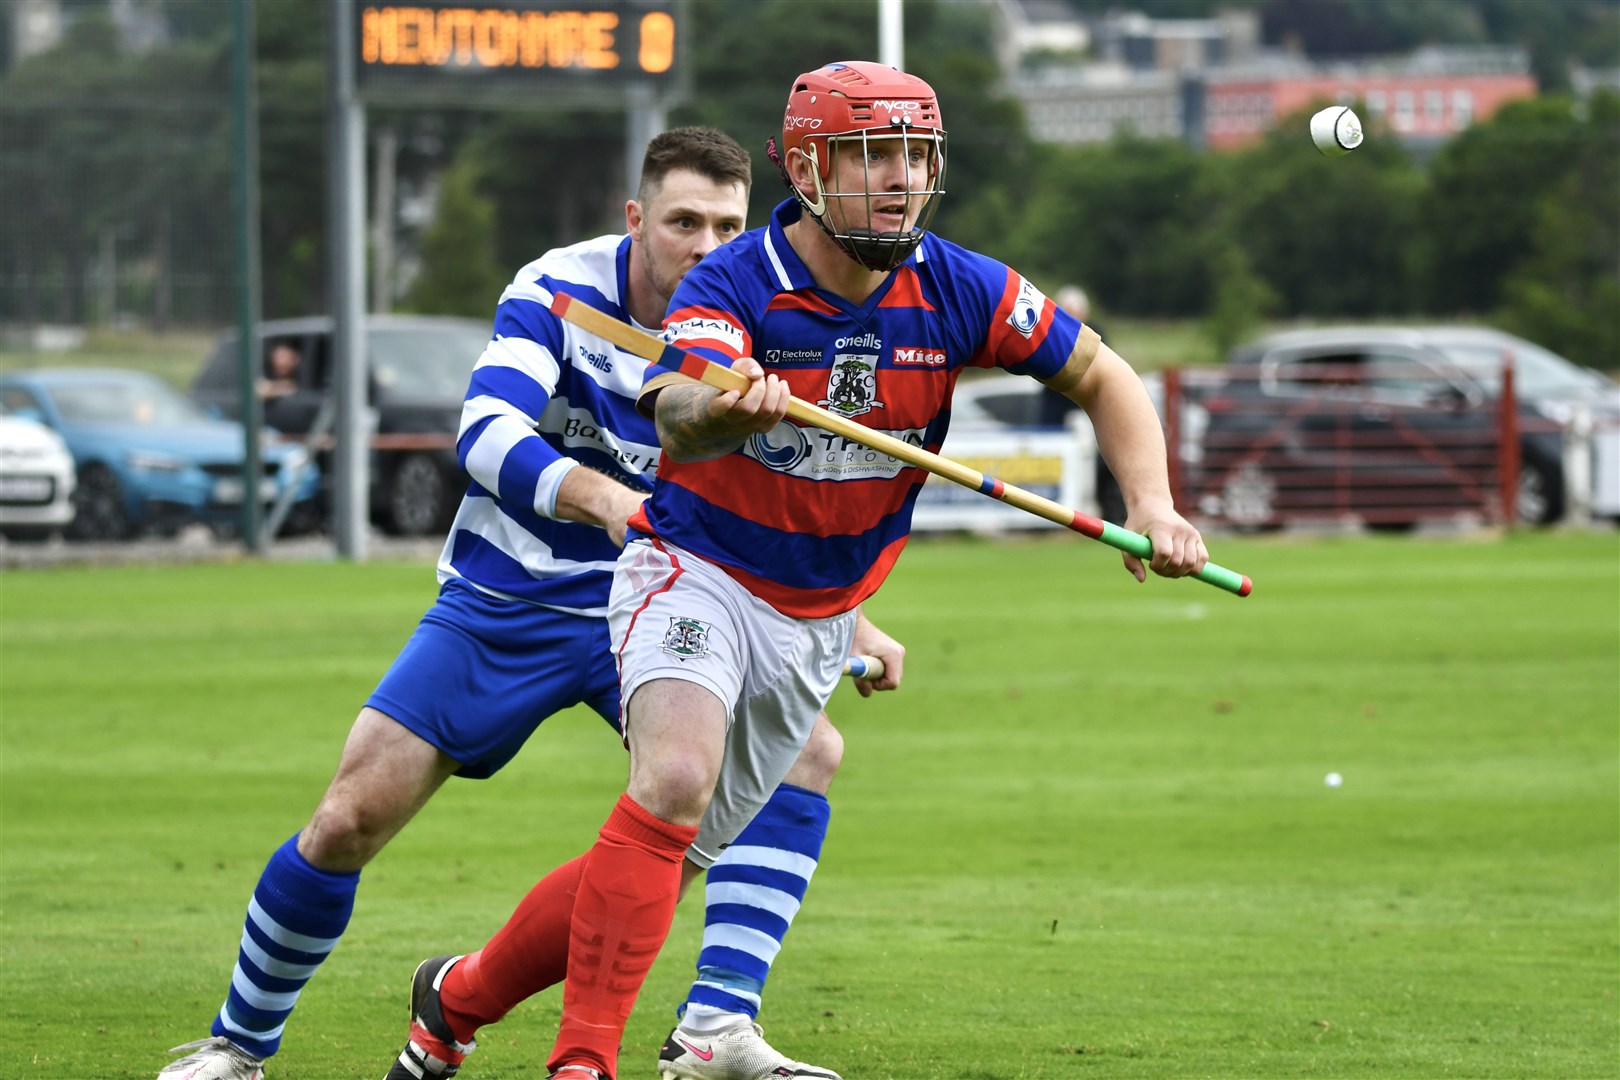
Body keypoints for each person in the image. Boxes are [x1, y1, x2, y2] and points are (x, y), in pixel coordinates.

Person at [421, 62, 1211, 1080]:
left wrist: (1150, 502)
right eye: (867, 157)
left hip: (818, 613)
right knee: (670, 783)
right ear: (805, 166)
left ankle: (462, 998)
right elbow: (674, 414)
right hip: (694, 569)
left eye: (911, 158)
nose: (894, 181)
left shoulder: (960, 285)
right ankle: (584, 1061)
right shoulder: (732, 282)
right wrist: (721, 408)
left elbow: (1100, 373)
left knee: (674, 852)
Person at [157, 126, 899, 1080]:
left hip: (679, 597)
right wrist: (607, 501)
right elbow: (483, 432)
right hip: (507, 594)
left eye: (725, 224)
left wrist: (850, 617)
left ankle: (715, 1029)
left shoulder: (766, 312)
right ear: (637, 220)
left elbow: (805, 493)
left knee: (807, 757)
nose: (705, 247)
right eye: (682, 222)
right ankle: (238, 1047)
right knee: (350, 816)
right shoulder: (559, 288)